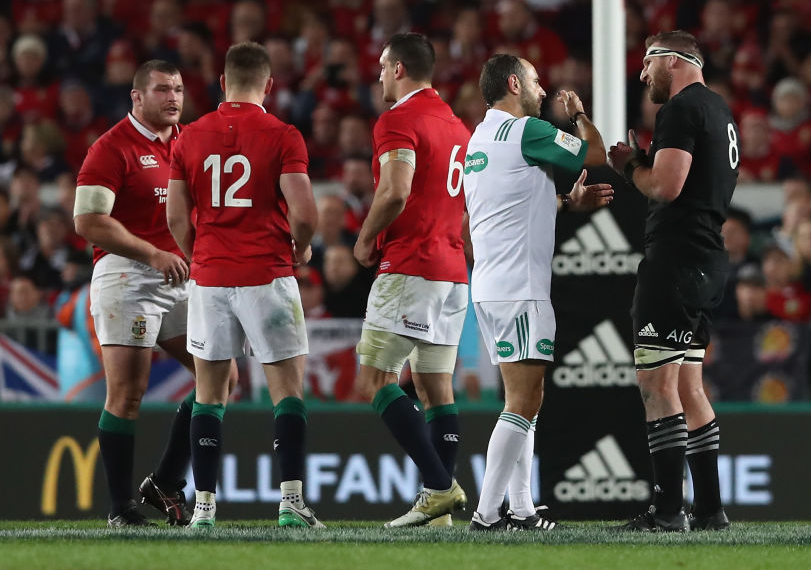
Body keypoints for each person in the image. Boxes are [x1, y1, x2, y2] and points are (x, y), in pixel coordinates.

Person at [166, 41, 322, 528]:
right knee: (287, 390)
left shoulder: (187, 137)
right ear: (269, 86)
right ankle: (291, 502)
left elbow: (174, 217)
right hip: (268, 274)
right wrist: (303, 246)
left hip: (210, 278)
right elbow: (306, 212)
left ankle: (205, 508)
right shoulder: (282, 134)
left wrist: (202, 257)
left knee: (209, 394)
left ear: (222, 84)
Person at [464, 53, 612, 530]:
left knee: (523, 399)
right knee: (523, 402)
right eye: (534, 80)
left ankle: (522, 509)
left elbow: (509, 203)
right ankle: (487, 515)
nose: (543, 89)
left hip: (489, 285)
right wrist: (581, 117)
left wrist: (567, 202)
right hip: (521, 289)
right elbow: (596, 154)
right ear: (513, 83)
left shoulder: (478, 139)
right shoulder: (528, 131)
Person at [74, 59, 222, 527]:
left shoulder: (189, 143)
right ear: (137, 97)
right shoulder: (111, 148)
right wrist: (151, 254)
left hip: (179, 275)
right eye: (162, 89)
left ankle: (163, 481)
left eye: (178, 88)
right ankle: (121, 509)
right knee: (128, 393)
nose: (173, 97)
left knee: (220, 377)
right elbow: (89, 222)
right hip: (127, 276)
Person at [607, 30, 738, 532]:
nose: (642, 75)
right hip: (707, 257)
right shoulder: (721, 112)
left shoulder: (682, 109)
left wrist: (629, 165)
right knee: (688, 384)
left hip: (677, 259)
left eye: (647, 64)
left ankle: (666, 511)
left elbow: (665, 186)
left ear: (673, 62)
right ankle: (709, 509)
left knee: (655, 383)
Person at [351, 32, 471, 529]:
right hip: (453, 270)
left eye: (382, 66)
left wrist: (364, 239)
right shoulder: (458, 126)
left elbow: (396, 191)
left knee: (373, 380)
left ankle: (440, 488)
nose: (378, 75)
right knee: (434, 387)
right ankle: (437, 510)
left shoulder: (398, 120)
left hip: (411, 265)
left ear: (398, 69)